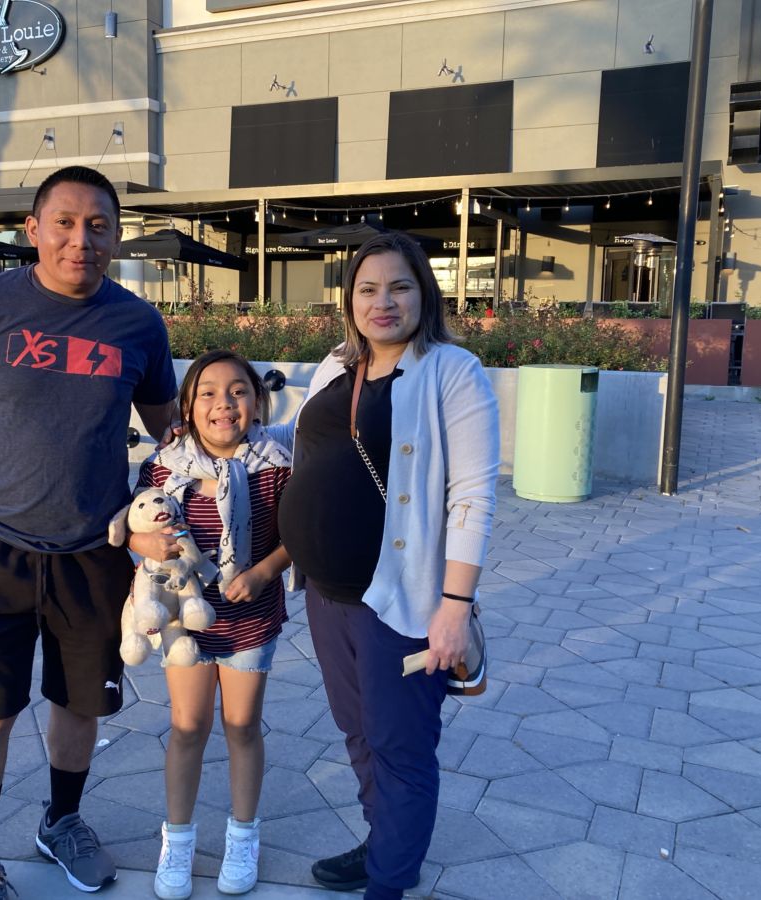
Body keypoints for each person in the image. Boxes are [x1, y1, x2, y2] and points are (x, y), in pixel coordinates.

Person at [0, 165, 179, 900]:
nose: (80, 239)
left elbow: (172, 437)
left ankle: (61, 821)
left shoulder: (138, 324)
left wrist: (176, 512)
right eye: (64, 222)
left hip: (94, 553)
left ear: (116, 238)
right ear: (33, 230)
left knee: (80, 705)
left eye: (98, 226)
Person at [272, 232, 499, 900]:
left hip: (400, 602)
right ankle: (386, 846)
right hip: (326, 595)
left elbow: (473, 495)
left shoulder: (452, 371)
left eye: (400, 286)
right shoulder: (335, 366)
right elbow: (305, 445)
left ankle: (389, 883)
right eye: (368, 289)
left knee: (400, 745)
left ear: (424, 293)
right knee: (359, 733)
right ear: (350, 300)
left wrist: (454, 607)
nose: (383, 301)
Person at [128, 350, 292, 900]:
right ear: (187, 407)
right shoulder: (163, 465)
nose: (224, 403)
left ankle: (243, 836)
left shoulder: (277, 464)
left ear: (258, 401)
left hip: (250, 619)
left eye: (238, 391)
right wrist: (142, 542)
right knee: (188, 727)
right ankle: (177, 840)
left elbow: (300, 533)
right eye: (208, 393)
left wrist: (265, 571)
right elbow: (132, 523)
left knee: (242, 726)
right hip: (185, 621)